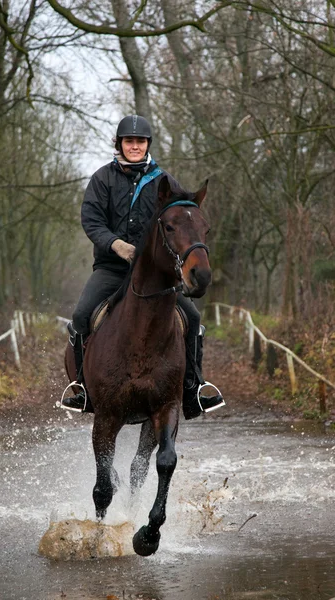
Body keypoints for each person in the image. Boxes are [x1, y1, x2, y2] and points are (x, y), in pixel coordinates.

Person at [63, 115, 224, 418]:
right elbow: (92, 221)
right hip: (112, 269)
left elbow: (183, 217)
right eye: (129, 141)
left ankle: (193, 389)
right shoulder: (102, 179)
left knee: (191, 316)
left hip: (154, 275)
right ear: (120, 144)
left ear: (147, 144)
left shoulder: (164, 181)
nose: (134, 146)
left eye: (140, 141)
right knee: (82, 314)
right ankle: (83, 388)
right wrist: (117, 245)